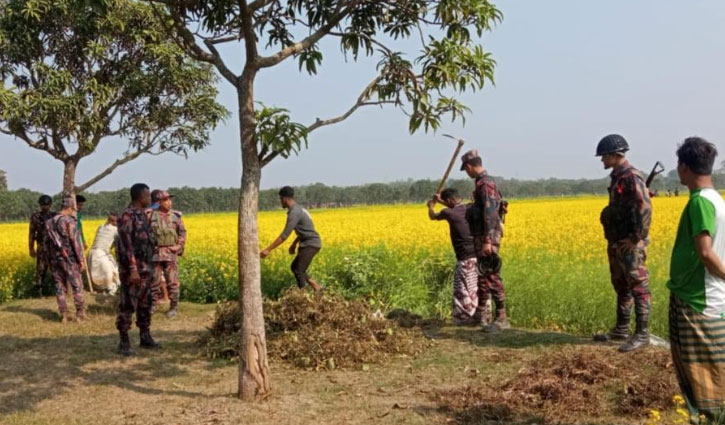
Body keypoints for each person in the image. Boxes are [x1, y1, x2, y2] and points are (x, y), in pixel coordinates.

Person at [668, 137, 725, 421]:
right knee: (707, 368)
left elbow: (706, 254)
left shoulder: (700, 202)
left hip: (698, 298)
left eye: (679, 164)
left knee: (703, 371)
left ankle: (710, 418)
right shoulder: (715, 199)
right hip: (700, 295)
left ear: (685, 167)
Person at [593, 134, 653, 352]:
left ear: (615, 155)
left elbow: (644, 208)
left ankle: (642, 334)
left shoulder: (631, 177)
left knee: (638, 286)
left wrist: (636, 238)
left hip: (629, 243)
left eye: (604, 156)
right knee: (621, 285)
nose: (602, 160)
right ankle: (621, 329)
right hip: (617, 240)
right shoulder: (618, 177)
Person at [460, 150, 509, 332]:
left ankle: (502, 316)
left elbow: (489, 213)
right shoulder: (480, 183)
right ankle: (481, 314)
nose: (467, 173)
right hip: (481, 235)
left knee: (491, 272)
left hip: (487, 236)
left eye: (466, 169)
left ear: (470, 166)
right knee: (482, 273)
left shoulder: (485, 184)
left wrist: (488, 240)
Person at [116, 183, 159, 356]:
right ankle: (124, 341)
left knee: (145, 303)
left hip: (146, 268)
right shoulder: (127, 216)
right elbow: (126, 245)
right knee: (128, 305)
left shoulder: (142, 215)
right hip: (132, 270)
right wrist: (133, 268)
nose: (150, 199)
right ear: (141, 197)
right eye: (148, 196)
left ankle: (145, 336)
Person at [428, 188, 479, 325]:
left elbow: (432, 216)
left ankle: (464, 319)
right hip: (476, 256)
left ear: (448, 201)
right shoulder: (469, 208)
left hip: (464, 258)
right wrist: (442, 201)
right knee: (475, 287)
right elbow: (456, 206)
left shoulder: (448, 212)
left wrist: (431, 206)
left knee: (461, 289)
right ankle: (478, 316)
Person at [261, 186, 323, 292]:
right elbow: (305, 230)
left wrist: (268, 249)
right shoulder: (300, 209)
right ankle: (316, 287)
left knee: (299, 270)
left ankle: (304, 296)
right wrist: (294, 244)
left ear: (285, 199)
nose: (280, 202)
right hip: (311, 243)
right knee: (295, 267)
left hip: (310, 244)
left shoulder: (294, 212)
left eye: (281, 199)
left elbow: (285, 235)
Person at [45, 195, 86, 322]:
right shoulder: (69, 221)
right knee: (77, 286)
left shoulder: (49, 222)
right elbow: (75, 242)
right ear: (70, 207)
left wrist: (49, 261)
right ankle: (80, 314)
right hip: (70, 259)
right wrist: (81, 260)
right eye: (74, 207)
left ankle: (63, 314)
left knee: (59, 286)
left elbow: (46, 244)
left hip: (55, 259)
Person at [149, 190, 186, 318]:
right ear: (159, 202)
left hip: (170, 254)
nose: (169, 202)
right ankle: (152, 306)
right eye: (166, 200)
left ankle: (173, 307)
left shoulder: (176, 217)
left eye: (170, 200)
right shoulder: (150, 216)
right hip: (155, 254)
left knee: (172, 282)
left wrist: (178, 246)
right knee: (154, 282)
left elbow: (182, 233)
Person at [28, 194, 57, 297]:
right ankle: (39, 293)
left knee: (55, 269)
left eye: (47, 205)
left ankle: (57, 291)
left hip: (53, 247)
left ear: (50, 205)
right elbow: (31, 233)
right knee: (40, 270)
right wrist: (31, 248)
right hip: (41, 246)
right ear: (40, 205)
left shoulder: (55, 216)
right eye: (43, 205)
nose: (45, 207)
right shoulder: (36, 217)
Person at [88, 212, 120, 295]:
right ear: (114, 221)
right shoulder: (115, 230)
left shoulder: (101, 227)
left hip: (92, 254)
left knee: (108, 270)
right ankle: (110, 289)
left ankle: (106, 289)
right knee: (111, 270)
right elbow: (116, 244)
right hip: (100, 255)